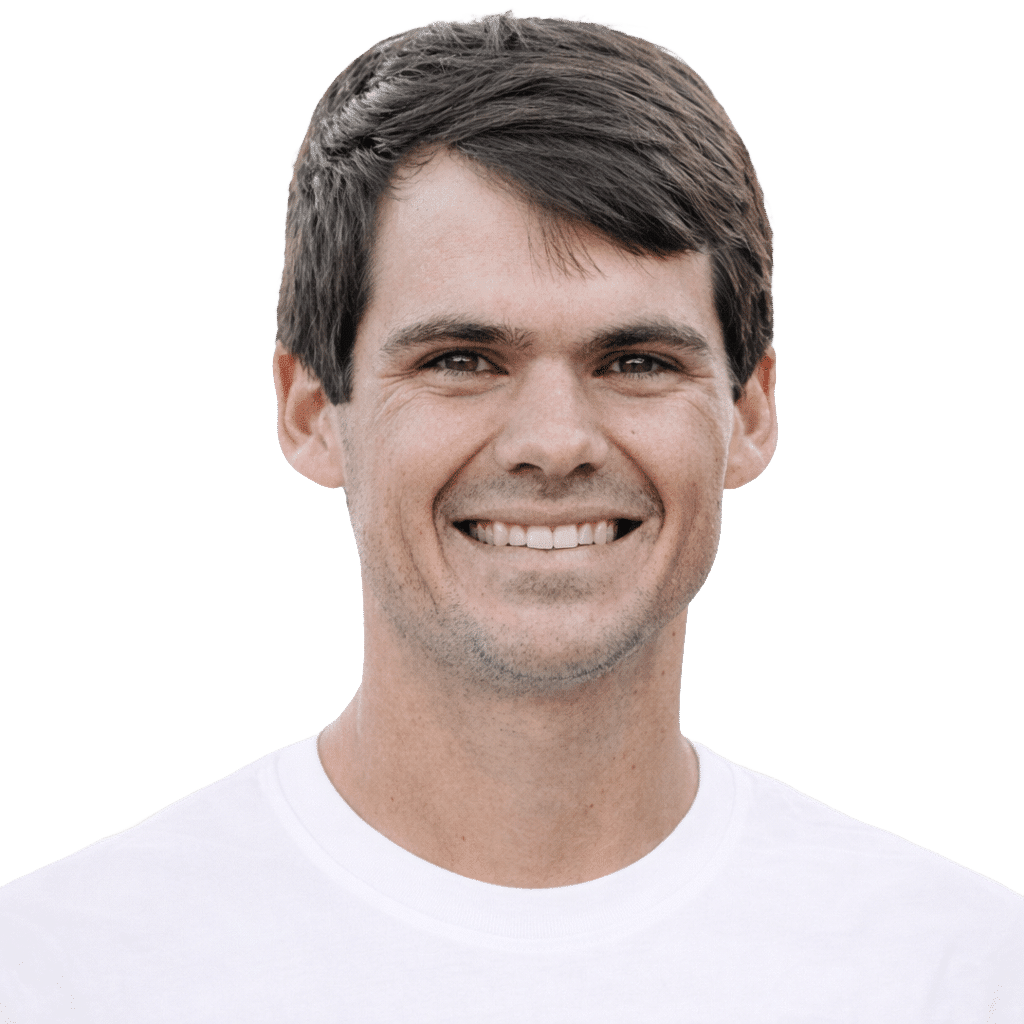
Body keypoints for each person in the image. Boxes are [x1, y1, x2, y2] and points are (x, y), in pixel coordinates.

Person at [1, 11, 1021, 1021]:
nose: (555, 441)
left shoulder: (966, 974)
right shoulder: (57, 975)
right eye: (461, 360)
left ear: (748, 415)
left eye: (636, 362)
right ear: (312, 411)